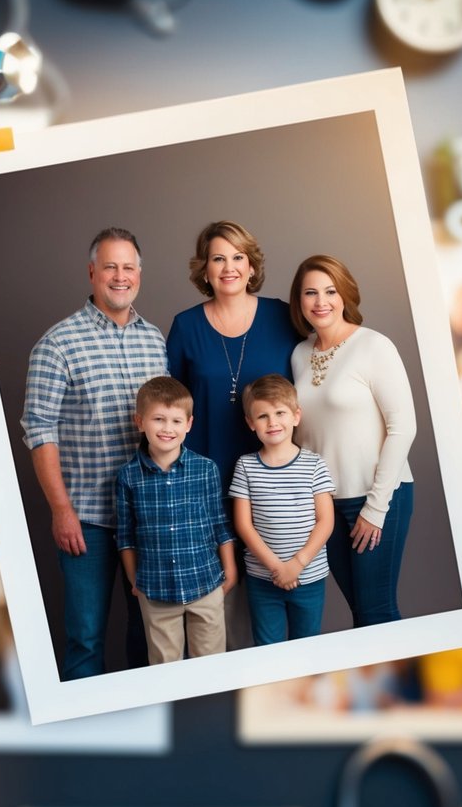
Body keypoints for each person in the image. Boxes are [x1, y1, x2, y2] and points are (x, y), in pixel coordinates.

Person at [21, 227, 165, 680]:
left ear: (139, 273)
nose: (120, 277)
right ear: (91, 273)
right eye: (110, 267)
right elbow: (39, 430)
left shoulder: (155, 339)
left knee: (150, 633)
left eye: (128, 267)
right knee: (85, 637)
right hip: (88, 520)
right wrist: (61, 510)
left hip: (148, 516)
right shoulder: (56, 344)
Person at [166, 221, 302, 649]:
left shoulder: (283, 316)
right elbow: (169, 406)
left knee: (269, 592)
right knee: (215, 604)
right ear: (204, 270)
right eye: (218, 258)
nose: (229, 267)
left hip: (274, 484)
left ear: (251, 265)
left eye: (238, 257)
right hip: (204, 484)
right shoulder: (185, 326)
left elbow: (312, 383)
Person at [289, 254, 417, 628]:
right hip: (325, 504)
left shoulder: (374, 346)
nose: (320, 301)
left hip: (378, 496)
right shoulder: (299, 354)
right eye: (310, 293)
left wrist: (375, 508)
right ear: (299, 301)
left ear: (345, 294)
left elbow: (403, 427)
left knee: (376, 612)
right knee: (360, 614)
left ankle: (399, 685)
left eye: (330, 291)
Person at [115, 377, 236, 664]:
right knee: (165, 665)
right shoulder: (128, 476)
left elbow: (220, 524)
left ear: (189, 424)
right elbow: (125, 536)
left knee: (211, 664)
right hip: (155, 590)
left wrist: (229, 570)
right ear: (140, 421)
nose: (168, 428)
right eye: (158, 419)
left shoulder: (205, 469)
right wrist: (135, 581)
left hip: (205, 584)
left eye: (176, 421)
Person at [229, 375, 334, 645]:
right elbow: (244, 525)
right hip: (264, 579)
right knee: (267, 648)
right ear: (251, 423)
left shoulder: (314, 464)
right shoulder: (245, 466)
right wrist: (277, 568)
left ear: (296, 416)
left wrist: (296, 565)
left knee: (308, 647)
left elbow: (325, 522)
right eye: (262, 416)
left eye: (280, 413)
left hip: (308, 577)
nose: (272, 422)